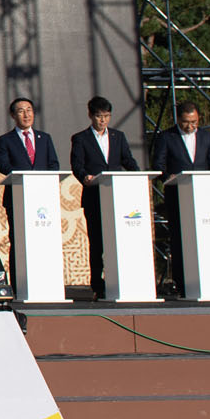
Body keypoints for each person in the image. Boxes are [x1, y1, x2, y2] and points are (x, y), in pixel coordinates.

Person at [69, 96, 139, 299]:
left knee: (119, 240)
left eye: (107, 116)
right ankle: (98, 285)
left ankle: (122, 280)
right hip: (94, 196)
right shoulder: (81, 138)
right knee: (97, 242)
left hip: (118, 197)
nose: (103, 120)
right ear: (91, 115)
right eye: (99, 116)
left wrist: (138, 175)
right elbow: (77, 165)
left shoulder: (118, 136)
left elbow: (128, 160)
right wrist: (85, 176)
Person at [152, 101, 210, 295]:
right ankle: (182, 283)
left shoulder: (206, 137)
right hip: (178, 196)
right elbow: (158, 164)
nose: (191, 126)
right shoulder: (167, 137)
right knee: (180, 239)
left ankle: (209, 278)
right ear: (178, 119)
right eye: (186, 122)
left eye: (194, 122)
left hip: (203, 197)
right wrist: (168, 177)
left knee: (205, 237)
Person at [0, 96, 61, 277]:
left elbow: (53, 165)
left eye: (29, 110)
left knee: (44, 238)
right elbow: (4, 166)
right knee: (19, 240)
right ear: (13, 115)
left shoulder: (44, 138)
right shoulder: (5, 140)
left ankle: (46, 277)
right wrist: (26, 178)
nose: (26, 114)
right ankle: (19, 282)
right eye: (21, 111)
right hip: (18, 197)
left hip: (43, 200)